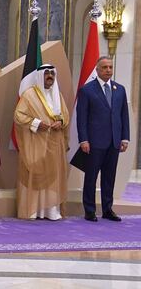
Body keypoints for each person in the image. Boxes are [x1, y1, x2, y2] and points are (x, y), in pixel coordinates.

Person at [76, 56, 129, 222]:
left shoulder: (119, 89)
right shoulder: (87, 90)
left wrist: (125, 138)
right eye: (104, 67)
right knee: (91, 177)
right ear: (97, 70)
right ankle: (90, 210)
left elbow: (123, 115)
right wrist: (83, 139)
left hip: (114, 141)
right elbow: (81, 118)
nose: (108, 70)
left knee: (109, 177)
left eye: (110, 67)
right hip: (94, 142)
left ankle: (107, 209)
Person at [13, 64, 69, 220]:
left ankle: (51, 210)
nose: (50, 76)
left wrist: (61, 122)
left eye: (52, 73)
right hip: (36, 142)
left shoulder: (58, 94)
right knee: (36, 174)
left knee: (53, 175)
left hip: (54, 142)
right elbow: (19, 116)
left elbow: (65, 115)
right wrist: (37, 123)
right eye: (47, 73)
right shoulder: (29, 95)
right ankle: (34, 209)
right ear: (40, 76)